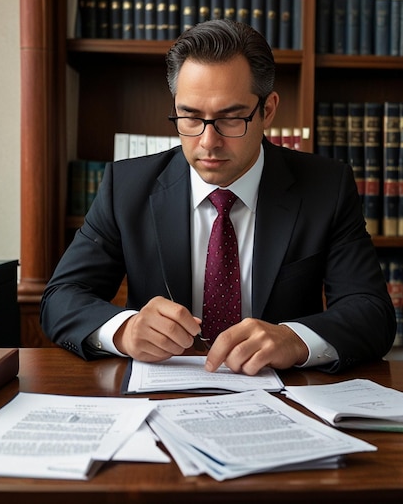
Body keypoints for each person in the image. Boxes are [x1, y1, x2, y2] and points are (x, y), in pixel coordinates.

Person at [41, 19, 396, 374]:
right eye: (190, 117)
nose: (208, 142)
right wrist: (125, 331)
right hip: (159, 395)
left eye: (231, 118)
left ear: (267, 110)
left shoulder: (325, 187)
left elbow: (372, 313)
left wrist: (295, 339)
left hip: (283, 396)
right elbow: (61, 298)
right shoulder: (127, 186)